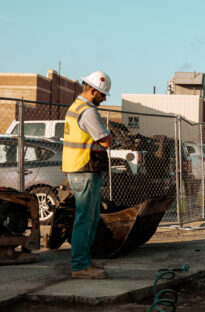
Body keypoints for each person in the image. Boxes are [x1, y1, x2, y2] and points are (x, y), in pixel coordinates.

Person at [62, 71, 113, 279]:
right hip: (85, 169)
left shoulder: (75, 107)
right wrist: (111, 138)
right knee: (86, 219)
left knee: (88, 218)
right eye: (102, 94)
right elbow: (106, 141)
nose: (104, 98)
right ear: (92, 91)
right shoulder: (88, 111)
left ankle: (83, 263)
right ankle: (81, 266)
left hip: (78, 168)